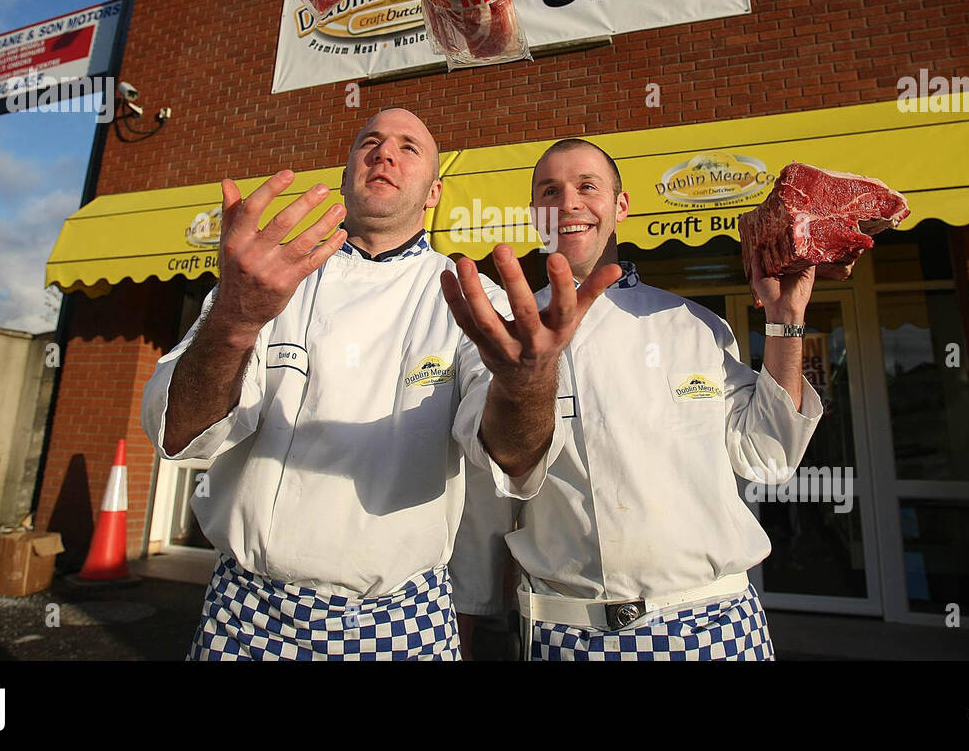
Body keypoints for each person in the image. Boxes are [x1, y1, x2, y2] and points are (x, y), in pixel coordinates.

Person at [140, 109, 618, 660]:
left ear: (434, 191)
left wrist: (527, 384)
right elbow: (178, 433)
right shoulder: (265, 278)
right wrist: (234, 321)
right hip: (247, 617)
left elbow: (513, 458)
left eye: (409, 147)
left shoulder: (467, 294)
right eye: (371, 141)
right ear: (345, 176)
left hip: (400, 621)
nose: (385, 154)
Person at [442, 138, 824, 660]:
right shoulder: (504, 333)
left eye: (587, 187)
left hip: (717, 624)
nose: (569, 203)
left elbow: (767, 453)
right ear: (534, 214)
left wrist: (786, 321)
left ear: (621, 206)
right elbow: (502, 467)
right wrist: (525, 381)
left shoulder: (696, 325)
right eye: (550, 191)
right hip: (570, 634)